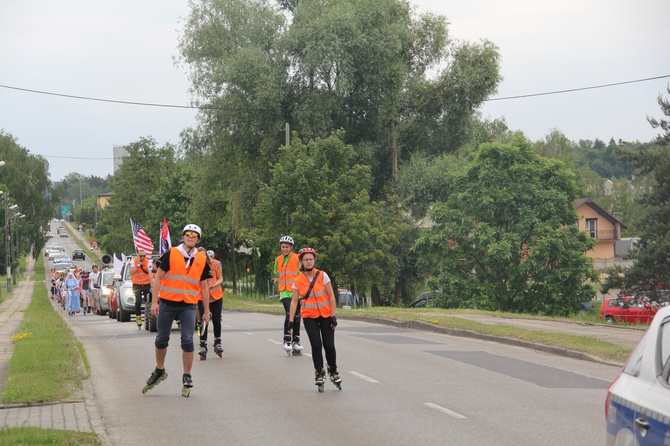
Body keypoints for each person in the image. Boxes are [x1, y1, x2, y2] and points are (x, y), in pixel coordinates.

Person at [143, 224, 211, 397]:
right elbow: (158, 277)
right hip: (167, 302)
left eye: (194, 235)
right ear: (183, 237)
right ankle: (159, 370)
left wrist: (206, 311)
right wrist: (155, 302)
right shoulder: (172, 253)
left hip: (188, 304)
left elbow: (204, 287)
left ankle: (187, 375)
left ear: (198, 240)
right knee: (161, 339)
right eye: (187, 234)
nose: (190, 237)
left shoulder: (202, 259)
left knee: (187, 340)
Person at [288, 247, 341, 391]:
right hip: (309, 317)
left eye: (311, 259)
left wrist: (333, 316)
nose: (309, 261)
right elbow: (294, 302)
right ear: (302, 261)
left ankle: (333, 369)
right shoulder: (297, 280)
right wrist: (291, 321)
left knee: (329, 345)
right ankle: (319, 372)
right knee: (316, 345)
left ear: (315, 260)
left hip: (325, 316)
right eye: (306, 259)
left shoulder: (323, 276)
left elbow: (331, 296)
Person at [274, 235, 303, 354]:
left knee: (296, 315)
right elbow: (277, 272)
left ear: (291, 247)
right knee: (288, 313)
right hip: (284, 290)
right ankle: (287, 339)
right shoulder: (278, 259)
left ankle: (296, 340)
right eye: (283, 247)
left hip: (296, 290)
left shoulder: (297, 258)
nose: (284, 249)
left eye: (287, 247)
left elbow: (301, 272)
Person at [198, 249, 224, 360]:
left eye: (204, 256)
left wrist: (214, 284)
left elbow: (220, 278)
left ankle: (217, 341)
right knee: (204, 320)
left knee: (216, 320)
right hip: (202, 297)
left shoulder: (215, 264)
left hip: (216, 296)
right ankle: (203, 344)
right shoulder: (196, 266)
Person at [130, 248, 153, 329]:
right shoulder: (134, 261)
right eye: (141, 256)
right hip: (137, 284)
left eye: (144, 256)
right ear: (137, 255)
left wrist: (152, 284)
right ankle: (138, 317)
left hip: (146, 284)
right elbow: (132, 272)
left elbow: (150, 273)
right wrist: (138, 265)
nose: (142, 257)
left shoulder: (148, 262)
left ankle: (148, 317)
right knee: (138, 301)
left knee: (148, 301)